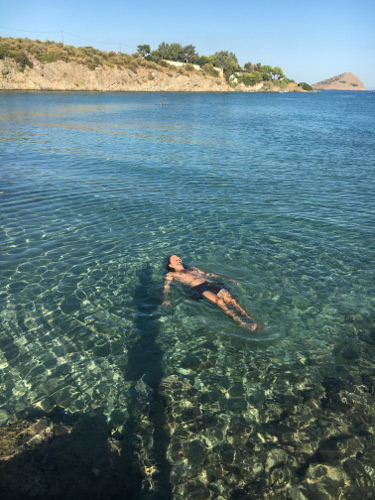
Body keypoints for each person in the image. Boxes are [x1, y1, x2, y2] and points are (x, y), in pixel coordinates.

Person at [162, 255, 266, 331]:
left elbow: (209, 274)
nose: (178, 259)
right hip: (198, 288)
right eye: (174, 258)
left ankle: (252, 320)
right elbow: (166, 286)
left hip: (210, 284)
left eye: (178, 257)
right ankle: (242, 323)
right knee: (219, 301)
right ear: (170, 265)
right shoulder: (171, 274)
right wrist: (165, 299)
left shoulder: (193, 268)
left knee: (233, 301)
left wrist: (229, 279)